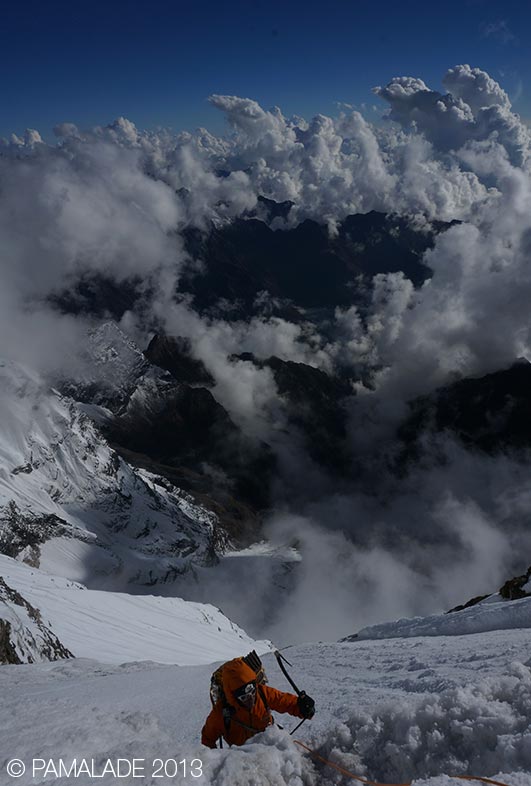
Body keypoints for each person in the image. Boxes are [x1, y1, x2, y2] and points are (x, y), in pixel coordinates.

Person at [201, 657, 315, 748]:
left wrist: (302, 707)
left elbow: (283, 701)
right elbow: (207, 739)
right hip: (241, 760)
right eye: (244, 696)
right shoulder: (221, 713)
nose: (250, 698)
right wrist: (214, 763)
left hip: (270, 747)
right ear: (233, 697)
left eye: (251, 691)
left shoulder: (261, 693)